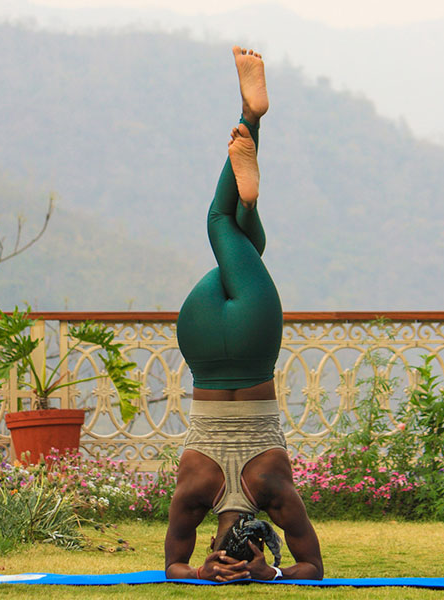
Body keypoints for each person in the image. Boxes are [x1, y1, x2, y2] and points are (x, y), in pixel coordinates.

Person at [164, 46, 323, 582]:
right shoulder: (194, 491)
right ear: (218, 540)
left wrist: (270, 573)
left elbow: (312, 567)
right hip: (203, 341)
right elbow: (171, 567)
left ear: (266, 532)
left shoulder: (276, 493)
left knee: (229, 230)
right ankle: (247, 185)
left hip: (253, 343)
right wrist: (202, 571)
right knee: (228, 232)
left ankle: (251, 121)